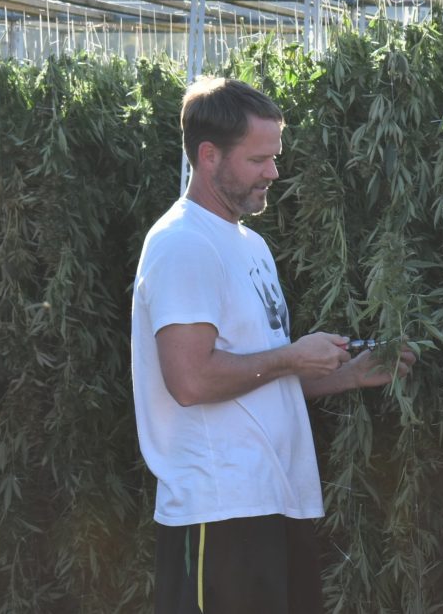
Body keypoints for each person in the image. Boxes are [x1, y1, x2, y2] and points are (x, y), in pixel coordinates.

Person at [131, 77, 415, 614]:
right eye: (259, 159)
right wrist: (291, 354)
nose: (274, 173)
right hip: (218, 509)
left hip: (272, 501)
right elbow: (190, 381)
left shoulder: (250, 244)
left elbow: (255, 381)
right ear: (209, 156)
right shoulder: (182, 245)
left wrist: (348, 374)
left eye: (275, 157)